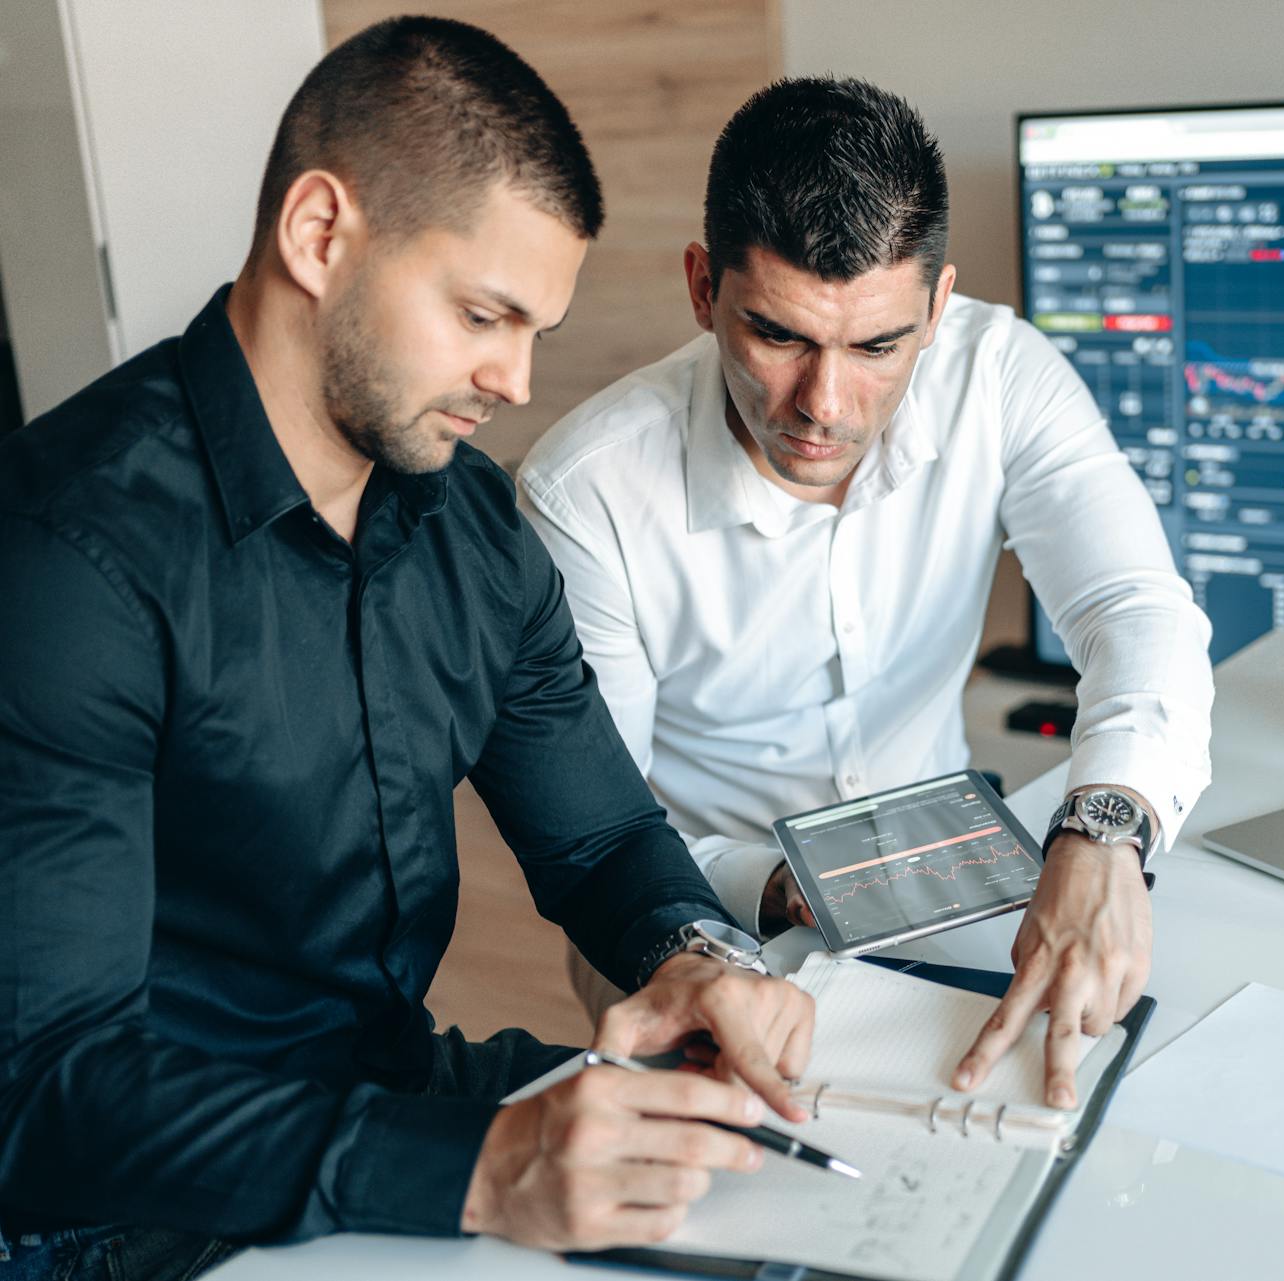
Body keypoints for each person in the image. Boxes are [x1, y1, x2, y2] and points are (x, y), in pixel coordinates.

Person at [0, 18, 814, 1279]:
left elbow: (598, 838)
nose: (518, 379)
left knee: (784, 1181)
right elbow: (47, 1088)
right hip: (116, 1212)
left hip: (382, 1092)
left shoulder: (472, 526)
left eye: (536, 328)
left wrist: (693, 958)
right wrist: (489, 1170)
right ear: (321, 234)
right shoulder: (67, 558)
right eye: (486, 314)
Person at [518, 77, 1214, 1112]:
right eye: (780, 336)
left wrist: (1106, 827)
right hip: (699, 929)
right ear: (704, 287)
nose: (824, 407)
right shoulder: (586, 492)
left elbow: (1137, 610)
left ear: (936, 307)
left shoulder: (1001, 374)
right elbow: (604, 829)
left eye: (878, 347)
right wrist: (779, 885)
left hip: (951, 905)